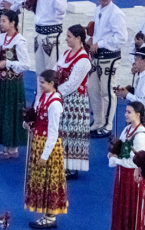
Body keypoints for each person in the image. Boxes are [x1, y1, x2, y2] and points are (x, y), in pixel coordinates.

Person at [23, 70, 67, 229]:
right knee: (42, 179)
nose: (40, 85)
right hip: (38, 141)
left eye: (43, 83)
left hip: (48, 145)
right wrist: (28, 123)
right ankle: (47, 213)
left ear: (51, 84)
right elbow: (37, 118)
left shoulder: (55, 103)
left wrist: (45, 154)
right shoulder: (42, 97)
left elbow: (53, 131)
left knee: (50, 180)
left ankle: (51, 215)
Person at [107, 102, 145, 230]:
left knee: (133, 207)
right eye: (126, 111)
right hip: (122, 174)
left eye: (129, 112)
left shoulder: (141, 135)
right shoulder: (128, 129)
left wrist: (116, 160)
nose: (125, 114)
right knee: (123, 205)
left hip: (133, 176)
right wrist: (113, 154)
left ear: (138, 115)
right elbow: (120, 149)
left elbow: (136, 161)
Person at [0, 10, 27, 160]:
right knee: (3, 111)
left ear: (13, 23)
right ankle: (6, 144)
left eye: (4, 21)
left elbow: (25, 65)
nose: (0, 23)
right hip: (1, 83)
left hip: (12, 84)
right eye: (0, 21)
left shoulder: (19, 41)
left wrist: (8, 63)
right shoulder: (0, 38)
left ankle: (13, 147)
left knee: (11, 112)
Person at [56, 26, 91, 179]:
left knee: (71, 133)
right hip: (63, 98)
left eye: (69, 36)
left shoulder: (83, 60)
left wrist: (54, 93)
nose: (66, 39)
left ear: (78, 38)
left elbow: (73, 84)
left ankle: (71, 167)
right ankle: (61, 162)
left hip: (75, 102)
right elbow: (54, 70)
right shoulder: (66, 53)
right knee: (62, 131)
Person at [88, 0, 127, 138]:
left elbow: (122, 37)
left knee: (106, 91)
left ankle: (107, 124)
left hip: (109, 57)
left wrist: (100, 43)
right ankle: (98, 121)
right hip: (96, 56)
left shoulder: (116, 13)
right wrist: (92, 40)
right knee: (93, 89)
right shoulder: (98, 10)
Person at [115, 45, 145, 126]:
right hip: (137, 116)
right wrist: (129, 91)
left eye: (138, 58)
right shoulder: (141, 76)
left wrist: (127, 95)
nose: (135, 60)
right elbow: (139, 95)